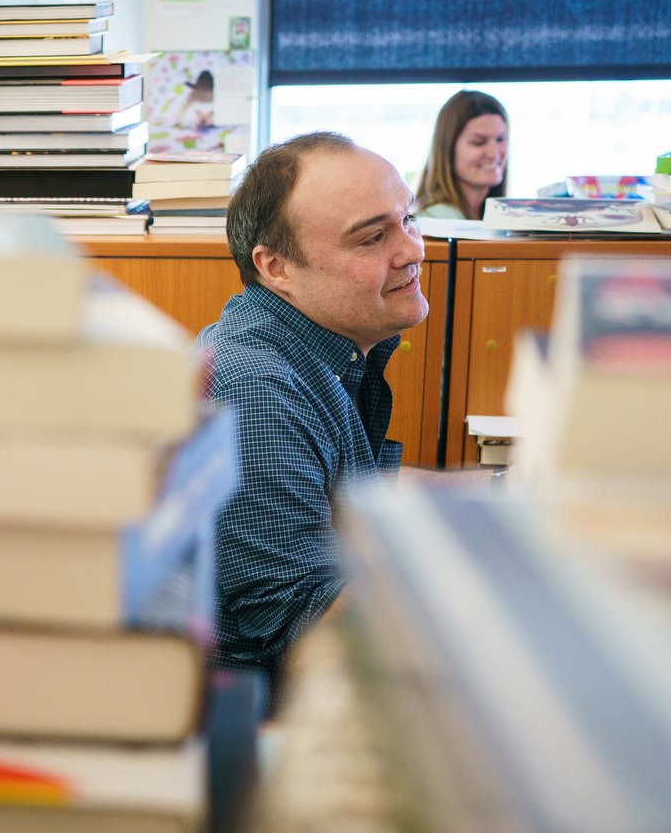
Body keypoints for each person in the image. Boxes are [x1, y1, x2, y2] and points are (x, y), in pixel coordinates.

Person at [202, 131, 427, 680]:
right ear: (277, 268)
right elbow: (302, 620)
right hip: (274, 713)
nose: (413, 250)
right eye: (373, 237)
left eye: (409, 220)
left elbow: (353, 501)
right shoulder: (255, 390)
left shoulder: (328, 350)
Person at [414, 90, 508, 220]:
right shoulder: (437, 220)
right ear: (448, 150)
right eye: (478, 142)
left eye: (501, 139)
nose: (494, 154)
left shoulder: (492, 217)